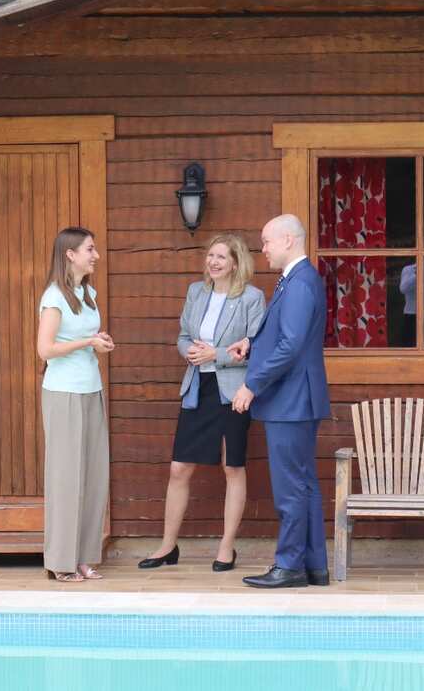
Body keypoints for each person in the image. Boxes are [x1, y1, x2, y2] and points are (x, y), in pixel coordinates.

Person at [139, 234, 266, 573]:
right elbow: (183, 335)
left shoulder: (252, 298)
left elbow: (256, 347)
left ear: (236, 263)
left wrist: (218, 355)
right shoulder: (196, 292)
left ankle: (227, 548)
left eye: (221, 257)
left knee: (232, 467)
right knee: (179, 468)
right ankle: (167, 546)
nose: (213, 262)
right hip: (198, 386)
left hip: (231, 392)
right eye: (210, 256)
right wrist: (192, 352)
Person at [227, 214, 332, 589]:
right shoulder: (295, 280)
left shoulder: (301, 282)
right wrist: (251, 344)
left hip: (292, 400)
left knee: (291, 488)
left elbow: (291, 345)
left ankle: (289, 566)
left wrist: (251, 384)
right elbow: (285, 334)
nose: (264, 249)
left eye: (267, 242)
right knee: (304, 485)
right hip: (295, 399)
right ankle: (314, 566)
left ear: (288, 240)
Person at [36, 227, 115, 583]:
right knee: (66, 477)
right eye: (89, 249)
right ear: (70, 254)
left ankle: (84, 557)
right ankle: (60, 561)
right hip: (63, 393)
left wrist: (98, 341)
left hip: (90, 389)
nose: (95, 255)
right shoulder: (54, 297)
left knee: (93, 475)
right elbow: (45, 349)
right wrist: (87, 342)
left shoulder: (88, 293)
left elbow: (84, 340)